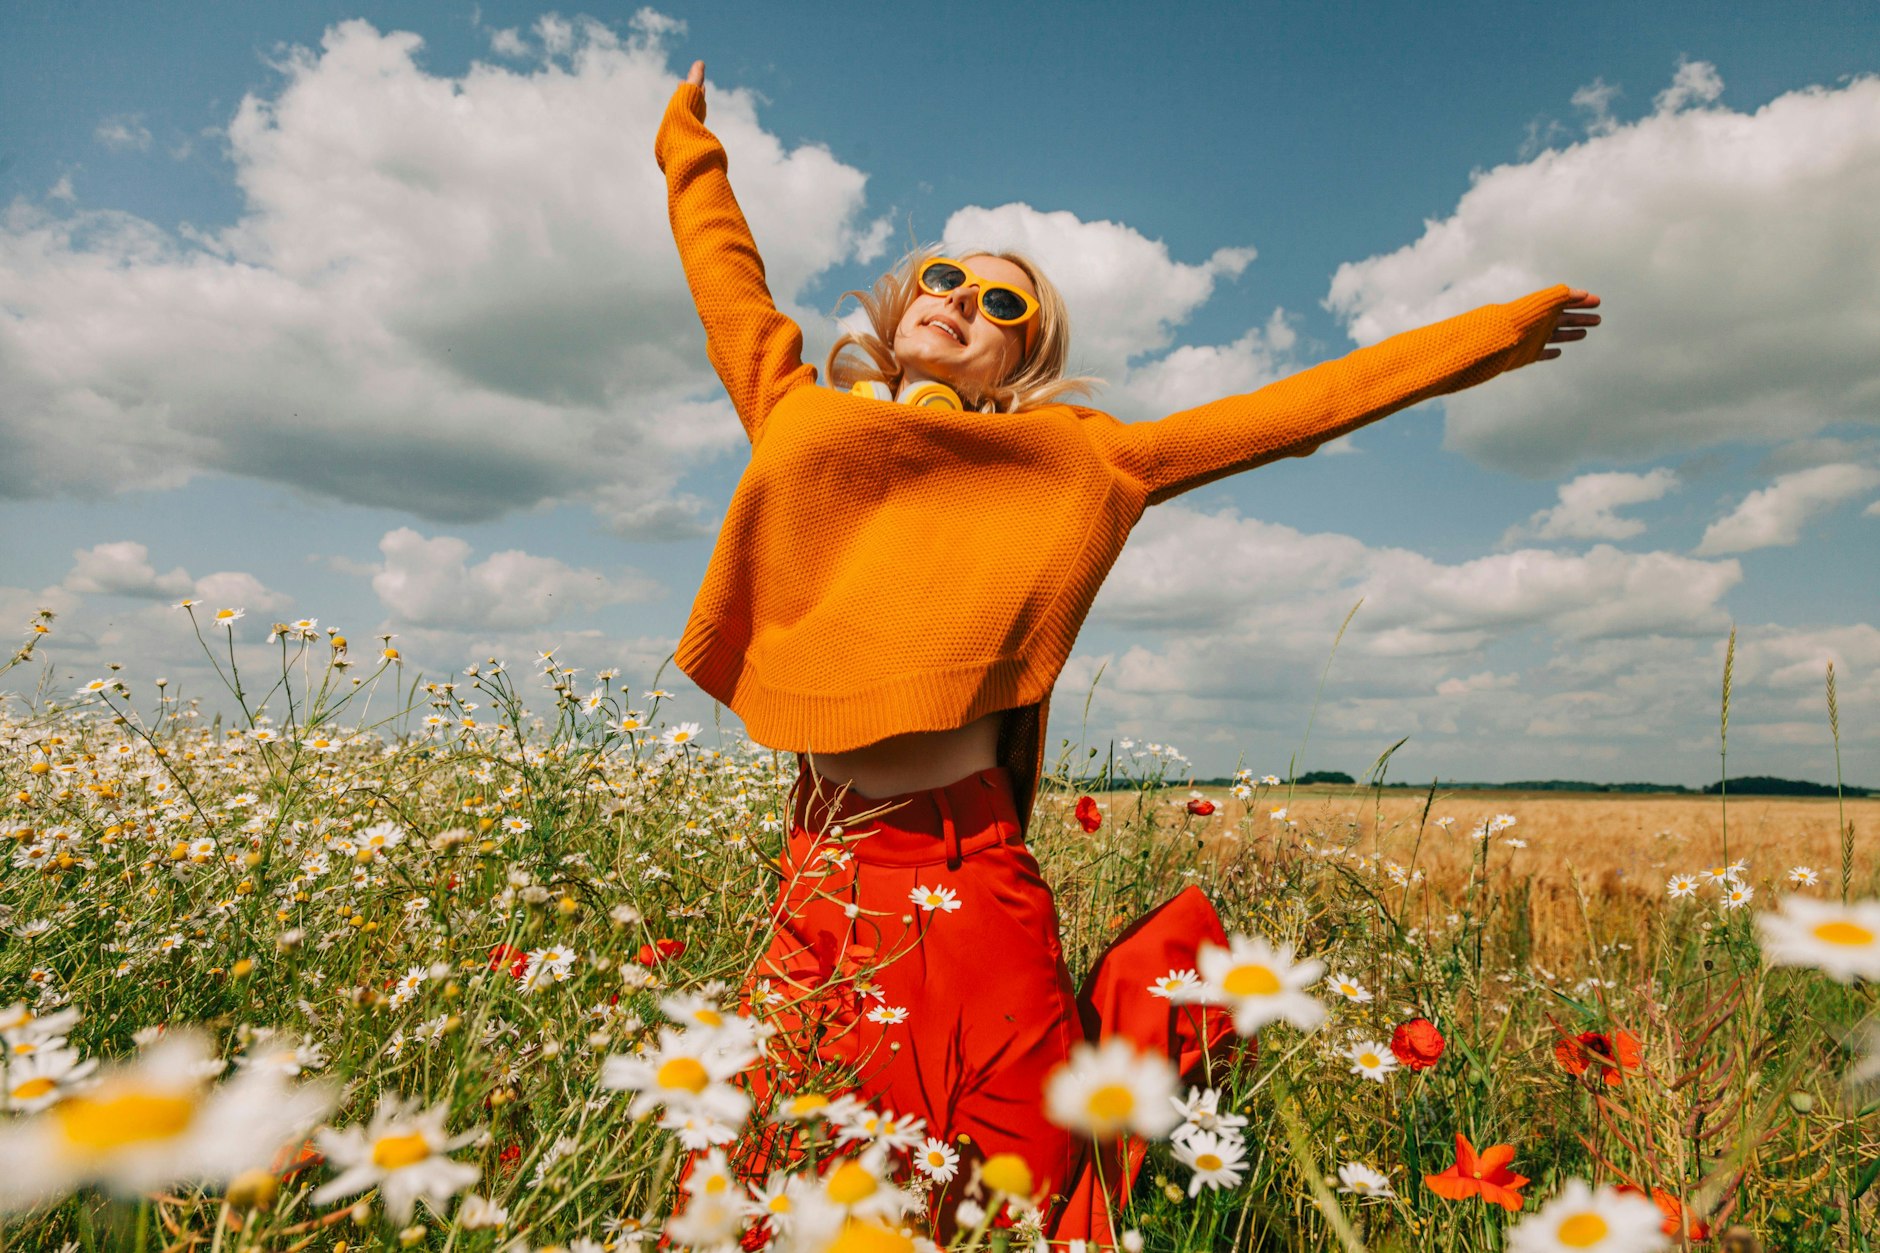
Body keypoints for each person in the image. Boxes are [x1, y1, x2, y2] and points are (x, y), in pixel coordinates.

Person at [655, 58, 1600, 1246]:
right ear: (900, 306)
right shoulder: (800, 414)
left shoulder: (1074, 460)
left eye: (1003, 307)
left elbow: (1291, 412)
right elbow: (726, 283)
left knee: (1023, 1191)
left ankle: (1146, 1036)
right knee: (770, 1180)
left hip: (970, 875)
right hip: (820, 867)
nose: (962, 300)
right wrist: (686, 146)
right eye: (944, 277)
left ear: (1022, 358)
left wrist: (1485, 341)